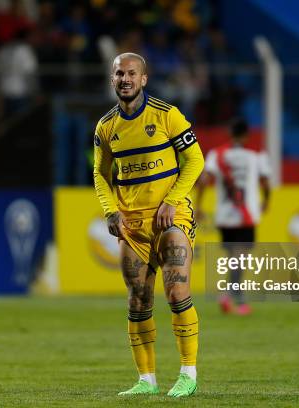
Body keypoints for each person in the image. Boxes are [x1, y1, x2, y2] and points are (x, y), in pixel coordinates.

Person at [93, 52, 204, 397]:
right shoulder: (106, 128)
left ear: (144, 79)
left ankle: (188, 373)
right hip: (132, 226)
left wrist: (172, 200)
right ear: (112, 80)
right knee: (138, 300)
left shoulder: (167, 115)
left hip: (172, 218)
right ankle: (147, 380)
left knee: (177, 290)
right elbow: (100, 172)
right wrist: (111, 210)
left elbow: (196, 159)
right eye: (118, 74)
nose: (124, 79)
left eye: (131, 73)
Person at [197, 118, 271, 315]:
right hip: (246, 214)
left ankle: (230, 294)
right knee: (241, 258)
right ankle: (236, 296)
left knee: (234, 257)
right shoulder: (256, 156)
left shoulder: (217, 155)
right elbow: (265, 182)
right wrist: (266, 201)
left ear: (231, 134)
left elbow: (204, 180)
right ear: (246, 135)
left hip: (225, 215)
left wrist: (198, 205)